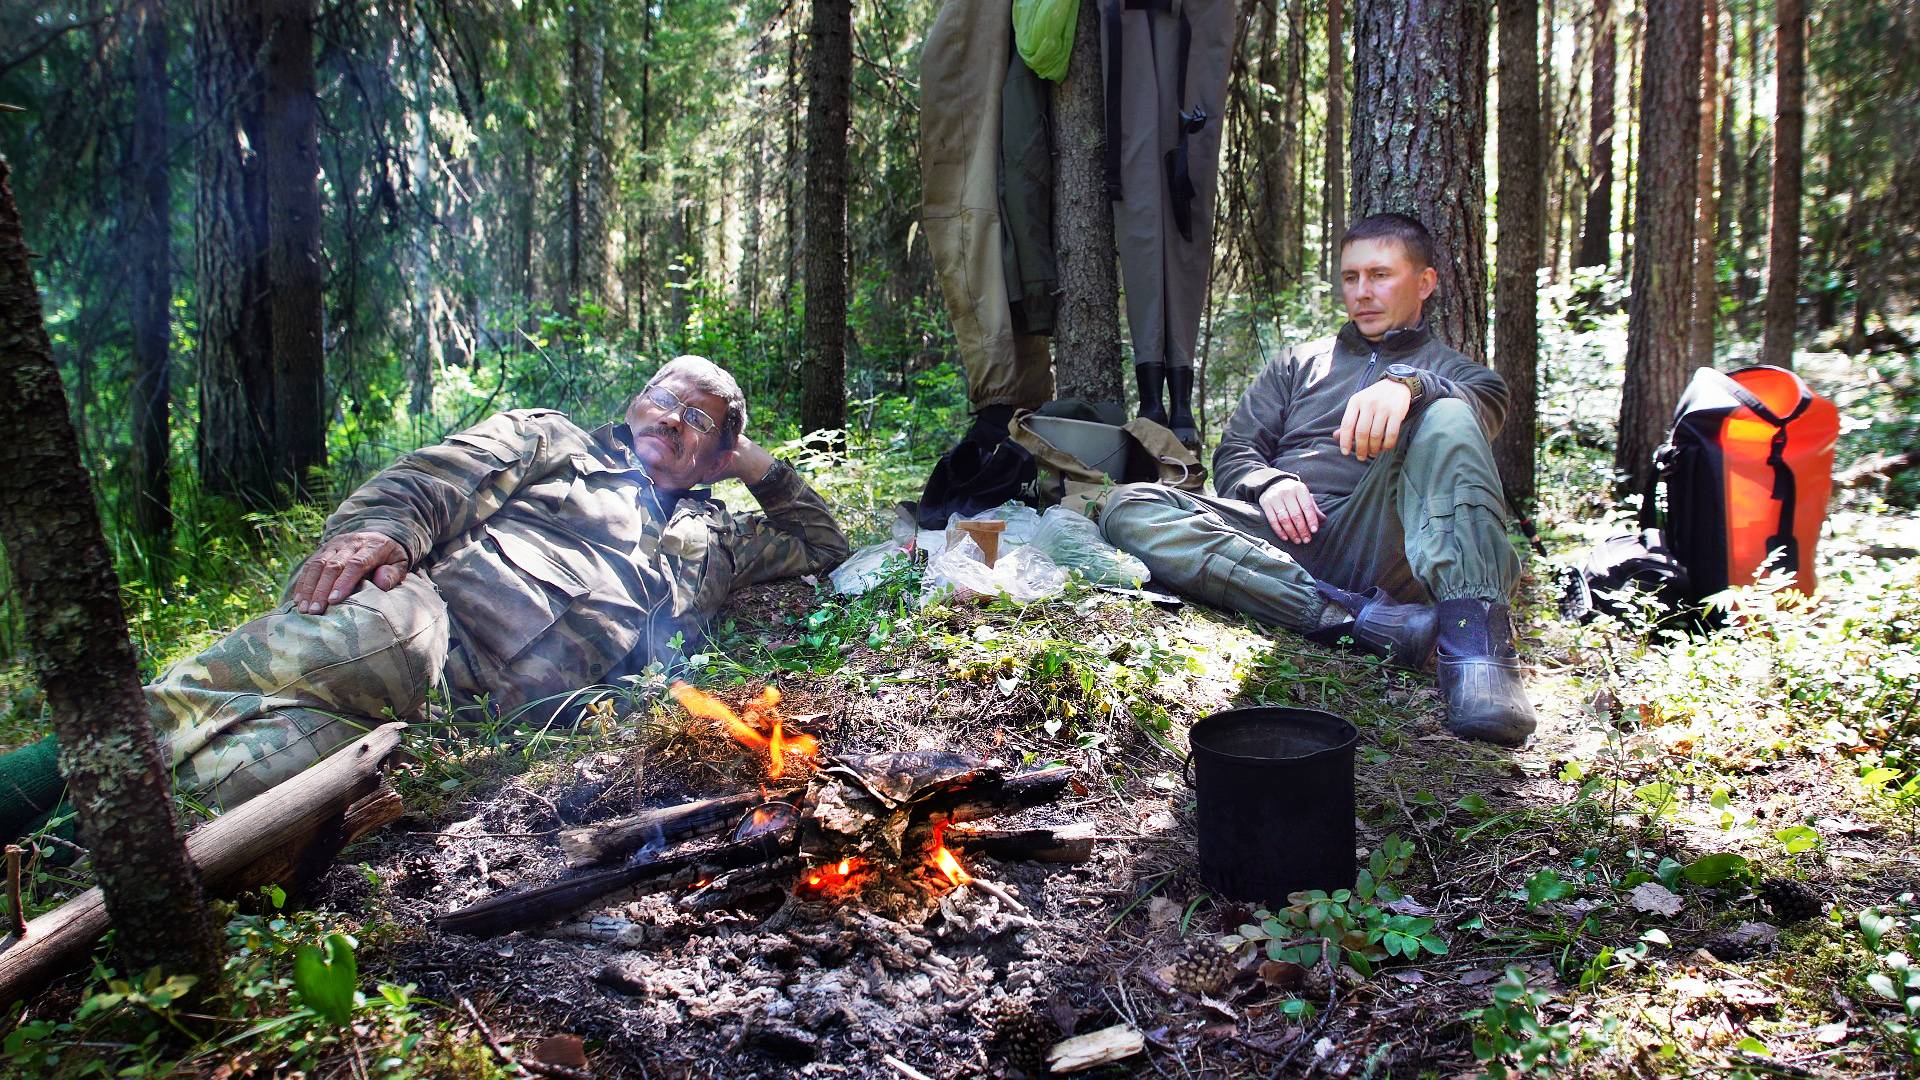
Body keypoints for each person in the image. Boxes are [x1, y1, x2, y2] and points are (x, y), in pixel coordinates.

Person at [0, 355, 850, 838]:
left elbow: (825, 545)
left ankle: (44, 865)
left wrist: (754, 464)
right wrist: (384, 535)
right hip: (420, 621)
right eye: (663, 396)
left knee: (240, 782)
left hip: (453, 721)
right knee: (356, 649)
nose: (669, 418)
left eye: (696, 418)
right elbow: (432, 479)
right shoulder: (555, 439)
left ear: (717, 453)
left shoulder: (720, 540)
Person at [1098, 214, 1537, 746]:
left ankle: (1476, 649)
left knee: (1445, 413)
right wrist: (1267, 482)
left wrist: (1411, 387)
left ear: (1424, 283)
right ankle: (1360, 621)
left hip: (1383, 537)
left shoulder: (1465, 375)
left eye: (1380, 275)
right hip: (1280, 541)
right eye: (1350, 278)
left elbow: (1475, 415)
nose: (1362, 293)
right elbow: (1236, 453)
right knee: (1128, 505)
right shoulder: (1296, 364)